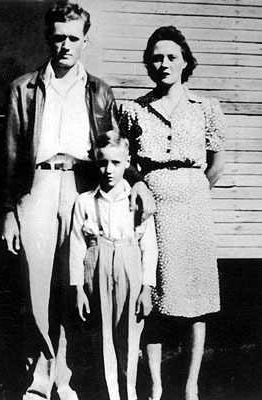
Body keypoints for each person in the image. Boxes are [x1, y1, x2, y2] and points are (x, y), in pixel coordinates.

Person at [1, 2, 155, 400]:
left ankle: (64, 378)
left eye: (73, 38)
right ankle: (39, 378)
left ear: (85, 40)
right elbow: (13, 153)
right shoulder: (24, 88)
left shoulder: (99, 90)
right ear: (47, 39)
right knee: (35, 286)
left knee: (70, 284)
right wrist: (9, 211)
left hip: (80, 186)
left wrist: (135, 181)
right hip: (35, 188)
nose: (65, 45)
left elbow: (114, 144)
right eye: (58, 37)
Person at [119, 26, 225, 400]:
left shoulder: (205, 109)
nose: (163, 64)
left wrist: (191, 190)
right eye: (156, 57)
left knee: (196, 301)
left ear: (185, 63)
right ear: (148, 63)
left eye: (171, 57)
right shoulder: (133, 110)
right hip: (153, 210)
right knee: (154, 297)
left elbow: (215, 165)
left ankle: (191, 385)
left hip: (193, 210)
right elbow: (124, 162)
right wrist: (140, 183)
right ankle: (157, 387)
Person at [69, 130, 158, 400]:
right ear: (95, 162)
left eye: (116, 163)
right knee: (103, 332)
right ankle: (110, 394)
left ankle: (129, 392)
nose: (108, 169)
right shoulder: (85, 201)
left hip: (130, 263)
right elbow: (76, 245)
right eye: (102, 162)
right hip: (98, 266)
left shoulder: (136, 201)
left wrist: (146, 287)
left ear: (128, 161)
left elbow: (149, 246)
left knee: (130, 334)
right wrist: (78, 288)